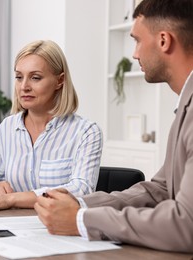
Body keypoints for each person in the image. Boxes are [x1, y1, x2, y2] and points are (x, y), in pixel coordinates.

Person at [34, 0, 193, 253]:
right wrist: (81, 203)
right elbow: (160, 190)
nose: (135, 53)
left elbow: (187, 224)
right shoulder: (186, 103)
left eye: (137, 40)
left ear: (164, 41)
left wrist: (80, 220)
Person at [0, 40, 103, 213]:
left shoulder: (86, 132)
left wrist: (11, 199)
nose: (24, 86)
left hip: (60, 226)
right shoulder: (8, 127)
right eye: (19, 77)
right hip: (9, 225)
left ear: (60, 81)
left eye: (35, 78)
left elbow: (82, 189)